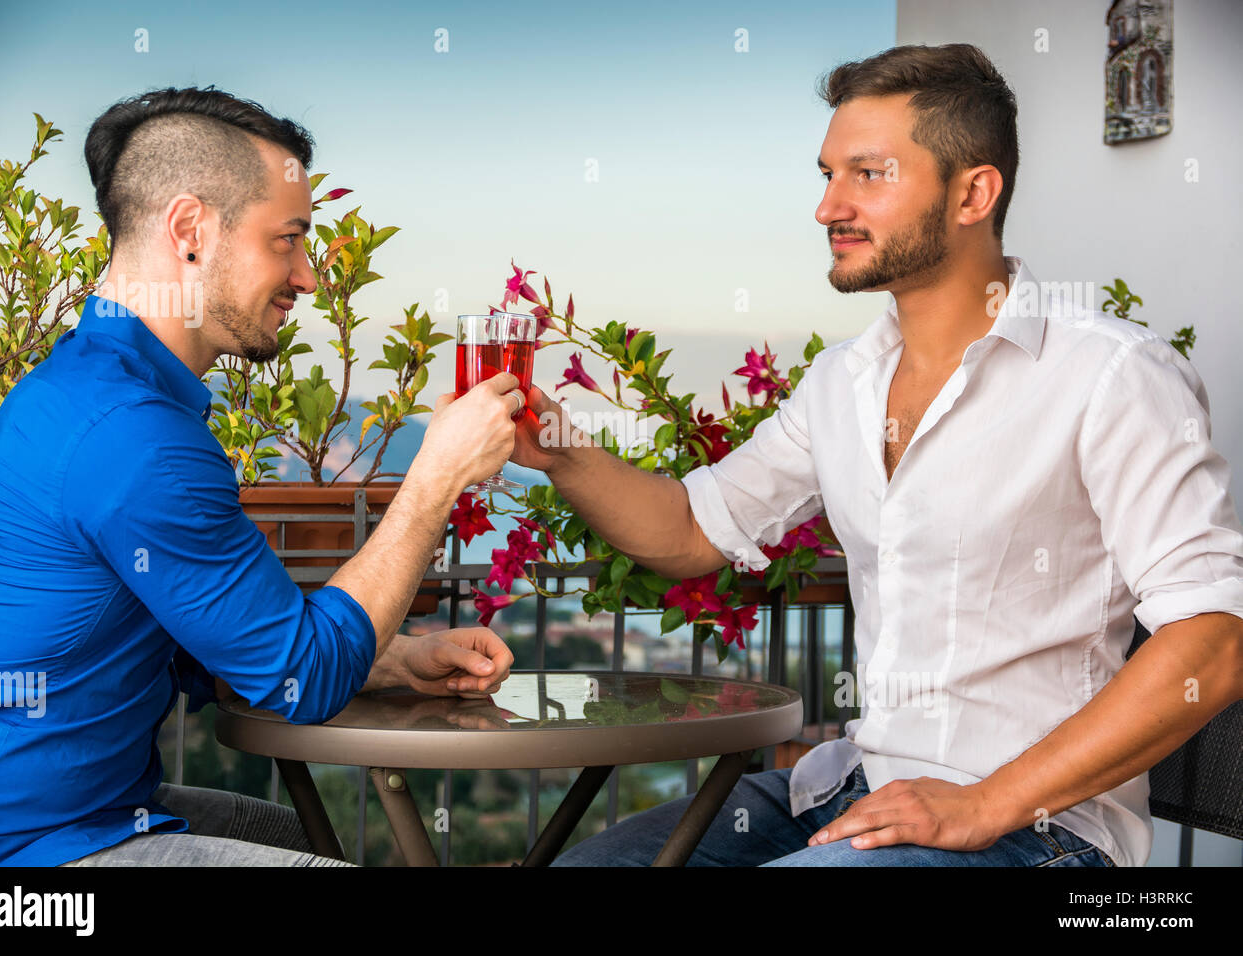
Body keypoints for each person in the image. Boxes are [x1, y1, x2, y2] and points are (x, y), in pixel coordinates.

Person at [510, 44, 1243, 867]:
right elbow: (689, 528)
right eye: (826, 175)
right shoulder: (841, 383)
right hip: (855, 788)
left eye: (868, 175)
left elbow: (1211, 640)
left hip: (1036, 830)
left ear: (973, 192)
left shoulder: (1112, 375)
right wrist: (560, 451)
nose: (828, 208)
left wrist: (986, 802)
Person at [0, 87, 522, 866]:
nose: (309, 276)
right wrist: (435, 477)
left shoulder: (93, 389)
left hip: (78, 809)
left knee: (300, 836)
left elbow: (210, 644)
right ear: (190, 230)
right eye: (288, 240)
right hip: (22, 854)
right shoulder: (130, 434)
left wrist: (392, 660)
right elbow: (302, 679)